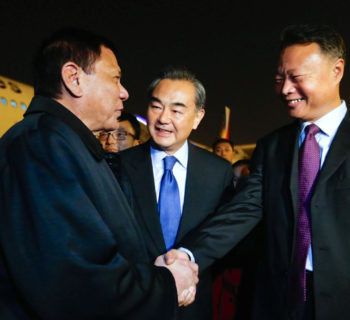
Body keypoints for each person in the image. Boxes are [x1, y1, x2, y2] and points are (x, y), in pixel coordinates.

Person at [0, 28, 198, 319]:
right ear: (74, 78)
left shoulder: (67, 144)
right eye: (115, 77)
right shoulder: (41, 147)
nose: (124, 92)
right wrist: (168, 283)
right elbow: (76, 284)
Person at [168, 23, 350, 320]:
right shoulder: (273, 146)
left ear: (336, 70)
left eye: (297, 77)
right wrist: (187, 255)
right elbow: (242, 211)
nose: (285, 89)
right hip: (279, 299)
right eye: (280, 78)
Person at [118, 68, 235, 319]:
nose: (163, 119)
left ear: (197, 118)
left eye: (177, 110)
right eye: (156, 106)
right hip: (134, 304)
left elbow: (222, 238)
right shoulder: (119, 166)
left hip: (192, 304)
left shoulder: (217, 172)